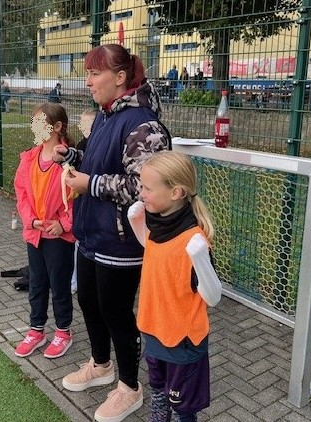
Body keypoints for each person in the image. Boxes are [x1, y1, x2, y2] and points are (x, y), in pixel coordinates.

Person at [54, 43, 170, 422]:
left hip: (121, 241)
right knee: (89, 301)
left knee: (116, 313)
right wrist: (73, 158)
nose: (88, 82)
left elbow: (144, 187)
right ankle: (100, 365)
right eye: (87, 74)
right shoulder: (106, 115)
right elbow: (99, 162)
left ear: (120, 78)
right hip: (92, 231)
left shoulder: (144, 125)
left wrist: (89, 184)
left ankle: (129, 387)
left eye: (94, 74)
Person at [128, 151, 222, 422]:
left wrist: (200, 259)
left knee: (183, 403)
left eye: (147, 188)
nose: (141, 193)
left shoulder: (193, 241)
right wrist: (137, 224)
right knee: (158, 385)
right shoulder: (158, 225)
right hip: (154, 327)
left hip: (182, 340)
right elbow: (156, 253)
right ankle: (160, 413)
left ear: (176, 193)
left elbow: (213, 297)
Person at [14, 102, 76, 359]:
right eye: (34, 122)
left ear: (57, 126)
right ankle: (36, 329)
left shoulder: (70, 160)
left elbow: (77, 197)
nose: (35, 127)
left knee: (59, 285)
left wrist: (63, 224)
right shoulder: (29, 158)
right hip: (35, 234)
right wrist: (31, 221)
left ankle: (63, 332)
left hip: (59, 236)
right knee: (37, 283)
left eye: (40, 122)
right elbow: (22, 193)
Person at [69, 108, 97, 294]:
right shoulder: (81, 145)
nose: (84, 127)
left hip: (93, 200)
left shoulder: (97, 145)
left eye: (88, 123)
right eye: (82, 123)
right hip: (81, 200)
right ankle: (75, 281)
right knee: (78, 245)